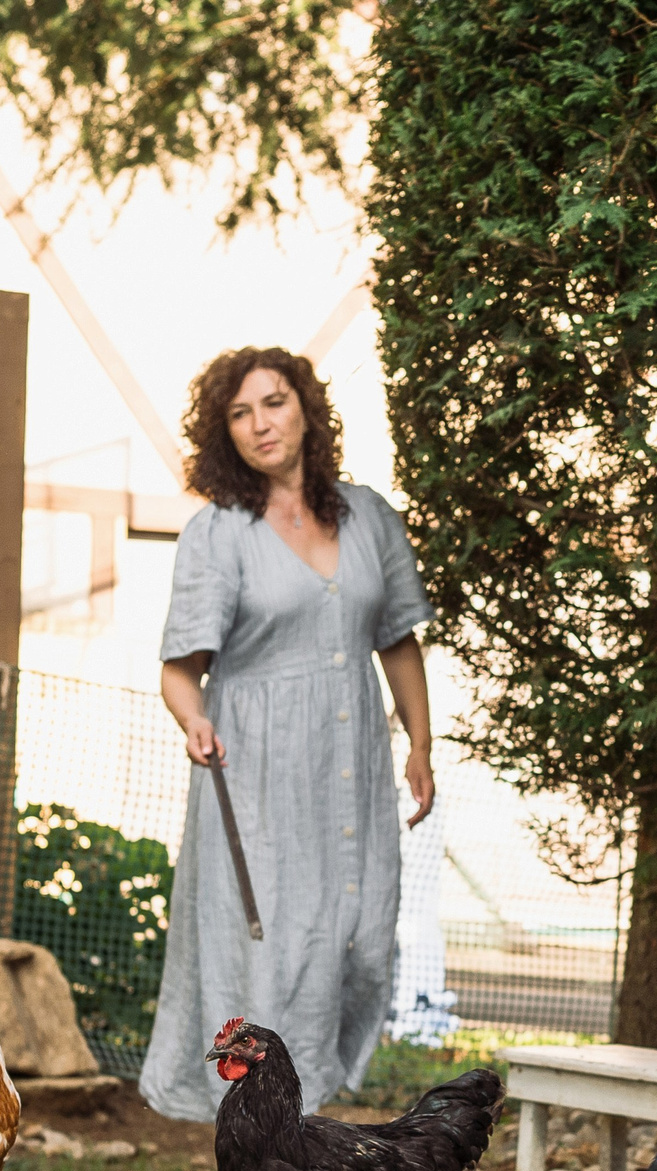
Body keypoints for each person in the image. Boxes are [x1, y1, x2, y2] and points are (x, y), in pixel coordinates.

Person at [139, 348, 437, 1121]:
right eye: (239, 413)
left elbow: (398, 639)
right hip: (257, 770)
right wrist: (192, 717)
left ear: (306, 408)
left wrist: (421, 745)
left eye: (273, 403)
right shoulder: (219, 531)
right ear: (223, 432)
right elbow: (181, 669)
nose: (260, 424)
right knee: (269, 952)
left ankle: (312, 1095)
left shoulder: (369, 514)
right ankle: (268, 1127)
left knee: (362, 939)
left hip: (351, 769)